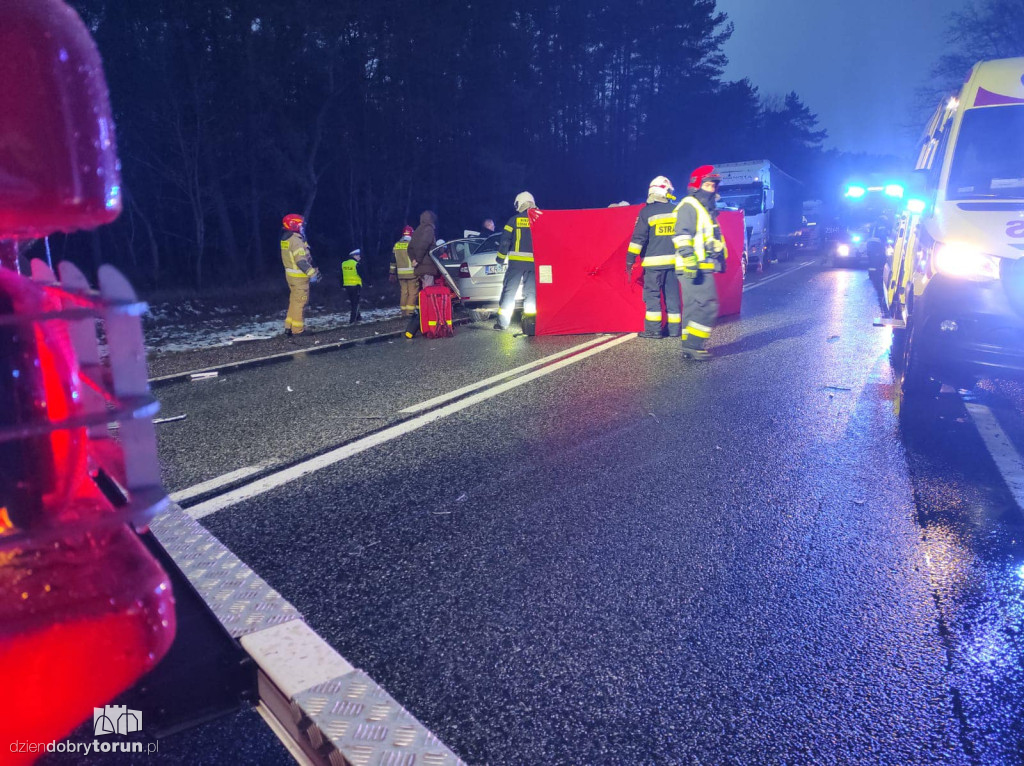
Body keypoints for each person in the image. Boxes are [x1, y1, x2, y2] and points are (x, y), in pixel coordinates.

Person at [673, 166, 726, 360]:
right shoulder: (690, 205)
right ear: (696, 185)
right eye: (707, 184)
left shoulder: (704, 209)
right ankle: (695, 345)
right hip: (693, 265)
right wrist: (689, 258)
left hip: (697, 264)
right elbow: (681, 235)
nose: (711, 189)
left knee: (693, 307)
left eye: (713, 185)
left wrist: (716, 249)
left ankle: (689, 345)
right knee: (708, 304)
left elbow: (702, 237)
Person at [627, 176, 681, 338]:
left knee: (652, 295)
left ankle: (654, 330)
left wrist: (630, 259)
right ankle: (674, 330)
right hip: (674, 262)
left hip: (653, 264)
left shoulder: (646, 212)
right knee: (672, 296)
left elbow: (638, 239)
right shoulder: (677, 210)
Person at [494, 191, 538, 334]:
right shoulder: (539, 219)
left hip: (516, 265)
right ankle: (531, 324)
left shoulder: (513, 220)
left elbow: (505, 242)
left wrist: (500, 259)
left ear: (520, 203)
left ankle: (502, 323)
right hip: (533, 265)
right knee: (531, 294)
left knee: (509, 292)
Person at [280, 213, 320, 336]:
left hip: (291, 276)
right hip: (299, 278)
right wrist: (312, 274)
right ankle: (298, 330)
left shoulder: (287, 238)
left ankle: (289, 327)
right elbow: (301, 261)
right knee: (300, 303)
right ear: (294, 225)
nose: (302, 227)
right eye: (300, 225)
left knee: (294, 302)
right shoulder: (295, 241)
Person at [405, 210, 438, 338]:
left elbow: (410, 248)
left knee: (424, 295)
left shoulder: (418, 230)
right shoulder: (428, 229)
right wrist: (418, 260)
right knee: (428, 296)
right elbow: (424, 246)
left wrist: (413, 260)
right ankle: (427, 323)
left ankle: (423, 323)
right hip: (427, 266)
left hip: (420, 268)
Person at [390, 225, 416, 316]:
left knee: (404, 293)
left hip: (401, 274)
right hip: (412, 274)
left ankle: (403, 312)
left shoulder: (396, 245)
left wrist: (392, 273)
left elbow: (393, 261)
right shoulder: (413, 244)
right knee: (412, 293)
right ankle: (409, 313)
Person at [341, 248, 363, 324]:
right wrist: (369, 283)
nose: (359, 257)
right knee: (356, 303)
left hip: (347, 286)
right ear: (354, 256)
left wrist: (341, 285)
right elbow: (362, 274)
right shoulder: (356, 264)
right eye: (358, 255)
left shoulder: (344, 264)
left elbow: (340, 275)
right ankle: (352, 320)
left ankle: (359, 317)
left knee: (353, 302)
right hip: (356, 286)